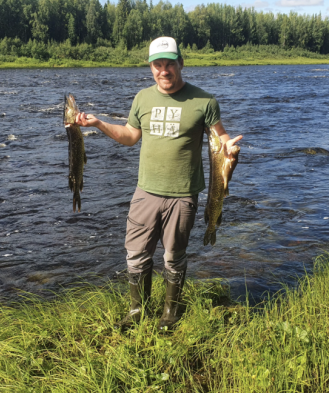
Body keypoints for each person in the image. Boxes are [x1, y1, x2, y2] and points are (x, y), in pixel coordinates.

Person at [76, 36, 242, 331]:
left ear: (181, 63)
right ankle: (137, 310)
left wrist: (229, 149)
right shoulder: (142, 98)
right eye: (157, 65)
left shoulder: (204, 101)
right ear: (151, 67)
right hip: (145, 192)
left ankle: (170, 313)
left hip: (183, 195)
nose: (163, 70)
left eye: (169, 64)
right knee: (136, 254)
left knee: (173, 257)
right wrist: (98, 123)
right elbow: (130, 136)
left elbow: (221, 137)